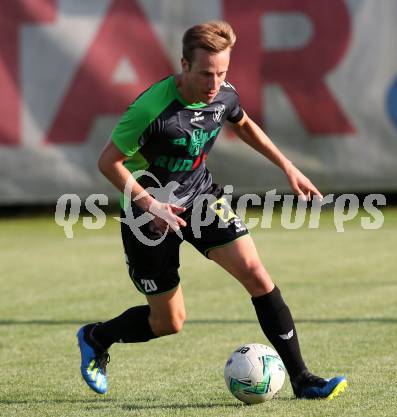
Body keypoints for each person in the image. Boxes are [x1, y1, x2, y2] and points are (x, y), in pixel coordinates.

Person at [77, 20, 347, 399]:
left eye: (222, 73)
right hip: (148, 215)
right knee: (168, 322)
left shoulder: (223, 94)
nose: (214, 84)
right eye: (206, 73)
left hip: (201, 196)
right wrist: (151, 204)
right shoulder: (151, 108)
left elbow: (244, 123)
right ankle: (95, 337)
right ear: (184, 65)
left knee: (256, 274)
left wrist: (288, 166)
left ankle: (303, 380)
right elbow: (109, 163)